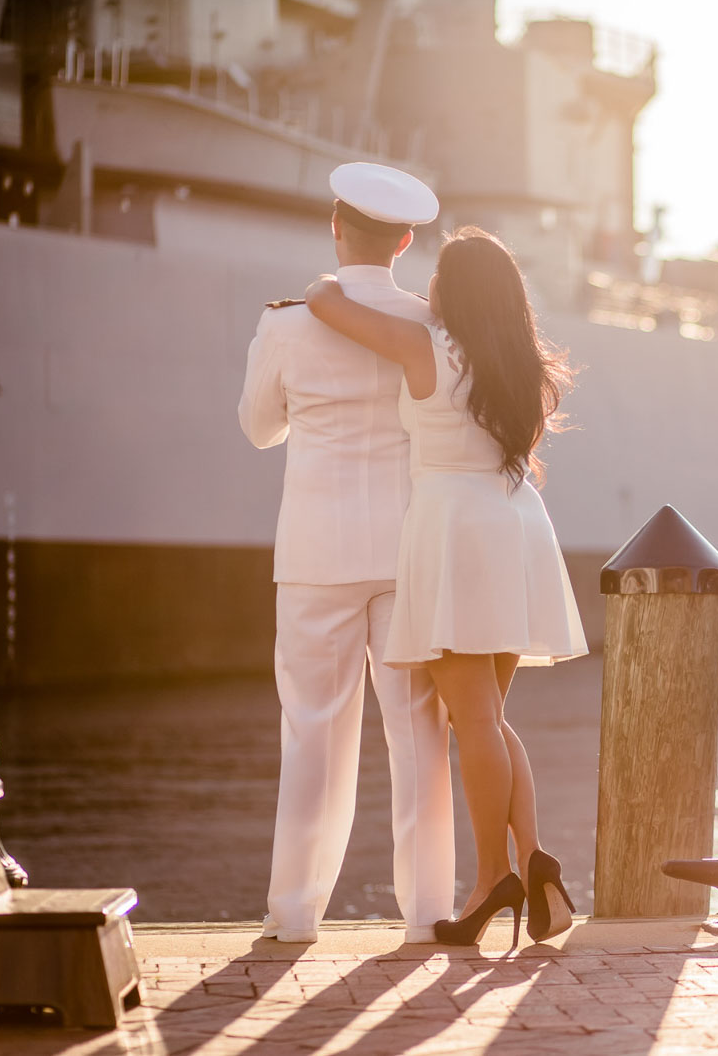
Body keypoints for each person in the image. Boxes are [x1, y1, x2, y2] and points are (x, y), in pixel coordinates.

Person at [302, 224, 586, 947]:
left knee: (476, 722)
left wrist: (412, 305)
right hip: (516, 525)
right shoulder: (518, 365)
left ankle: (494, 877)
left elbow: (324, 302)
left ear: (450, 292)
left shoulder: (425, 345)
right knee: (488, 715)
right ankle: (534, 862)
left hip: (455, 531)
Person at [238, 162, 455, 945]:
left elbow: (260, 428)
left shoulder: (287, 322)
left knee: (314, 734)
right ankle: (430, 916)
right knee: (419, 733)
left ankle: (293, 917)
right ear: (405, 241)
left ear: (334, 228)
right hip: (407, 550)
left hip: (313, 553)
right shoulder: (430, 323)